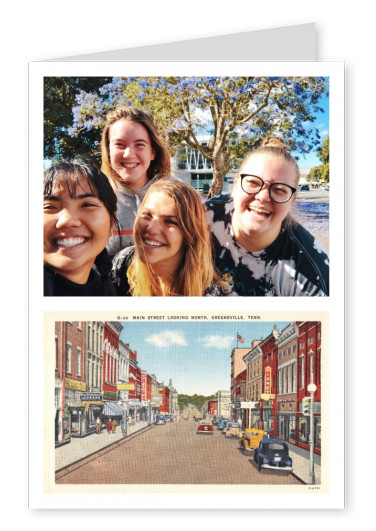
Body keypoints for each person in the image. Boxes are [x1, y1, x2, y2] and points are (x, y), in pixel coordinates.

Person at [206, 137, 329, 296]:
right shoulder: (203, 216)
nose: (263, 197)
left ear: (292, 201)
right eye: (253, 183)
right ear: (235, 186)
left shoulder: (311, 274)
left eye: (279, 189)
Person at [111, 180, 224, 296]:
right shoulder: (122, 264)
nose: (151, 229)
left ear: (190, 234)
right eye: (147, 215)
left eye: (170, 222)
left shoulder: (209, 293)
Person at [101, 106, 171, 257]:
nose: (129, 154)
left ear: (152, 152)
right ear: (108, 151)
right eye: (119, 144)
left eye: (139, 144)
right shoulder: (96, 200)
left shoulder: (176, 197)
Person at [44, 158, 119, 296]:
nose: (67, 220)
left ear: (112, 224)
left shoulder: (106, 291)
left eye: (87, 205)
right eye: (49, 207)